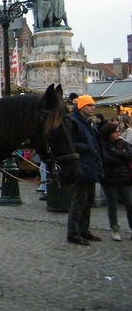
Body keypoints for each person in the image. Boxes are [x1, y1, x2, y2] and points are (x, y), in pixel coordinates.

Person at [67, 95, 104, 245]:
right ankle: (73, 233)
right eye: (89, 105)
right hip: (81, 165)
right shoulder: (73, 122)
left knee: (88, 201)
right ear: (82, 107)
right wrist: (88, 148)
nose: (93, 108)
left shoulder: (88, 123)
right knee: (79, 201)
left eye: (93, 105)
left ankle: (84, 230)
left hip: (90, 165)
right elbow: (69, 143)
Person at [98, 122, 132, 242]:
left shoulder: (124, 143)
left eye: (119, 130)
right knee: (112, 205)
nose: (118, 133)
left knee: (130, 204)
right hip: (109, 179)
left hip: (125, 178)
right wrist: (122, 156)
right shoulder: (103, 145)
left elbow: (130, 155)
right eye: (115, 131)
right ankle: (114, 229)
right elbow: (108, 160)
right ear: (109, 133)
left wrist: (118, 154)